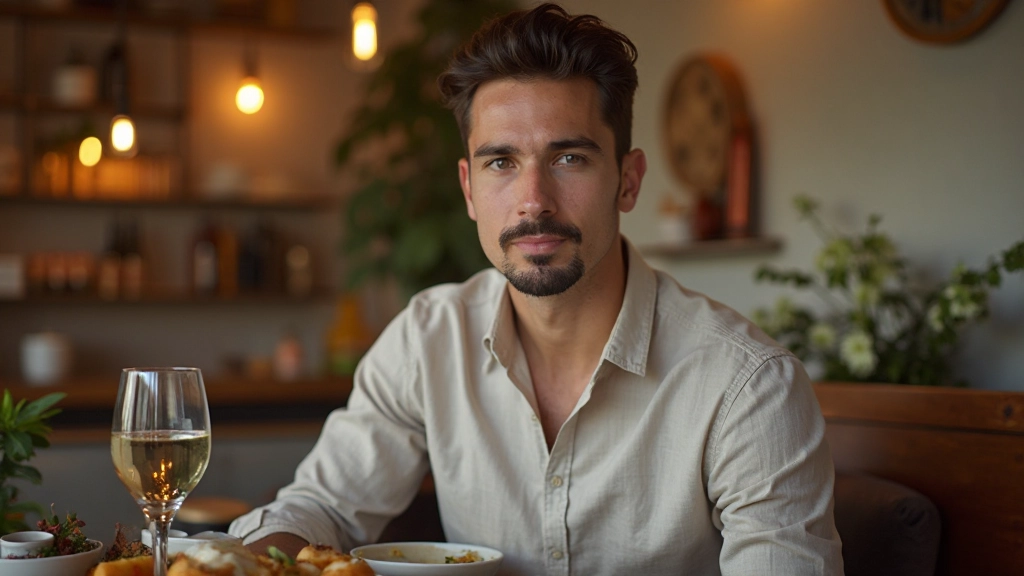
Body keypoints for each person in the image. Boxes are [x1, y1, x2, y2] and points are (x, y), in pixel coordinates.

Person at [229, 3, 844, 574]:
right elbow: (324, 510)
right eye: (502, 163)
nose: (533, 203)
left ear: (627, 182)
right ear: (470, 190)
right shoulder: (427, 339)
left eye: (569, 158)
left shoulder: (748, 387)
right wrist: (230, 565)